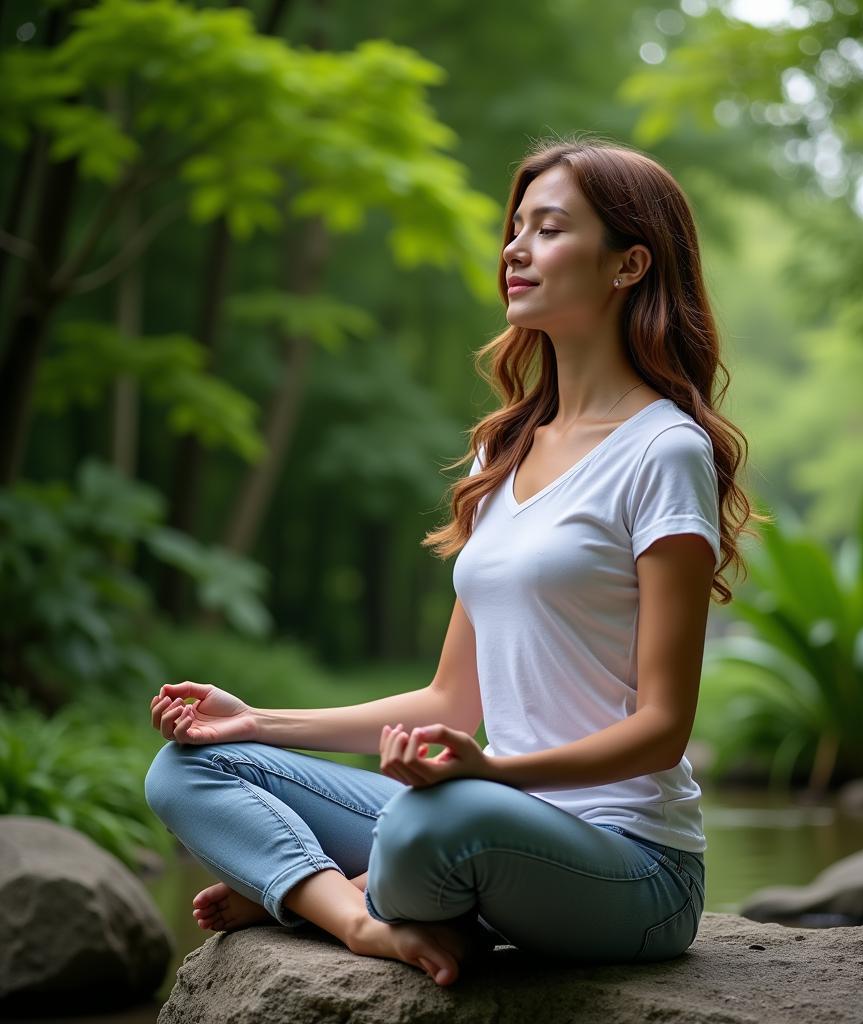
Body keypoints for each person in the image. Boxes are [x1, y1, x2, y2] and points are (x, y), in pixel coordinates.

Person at [144, 134, 759, 989]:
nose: (515, 248)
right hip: (485, 815)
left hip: (631, 869)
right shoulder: (501, 452)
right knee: (191, 767)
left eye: (548, 229)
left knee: (436, 822)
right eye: (516, 229)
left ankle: (309, 890)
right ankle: (355, 916)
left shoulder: (663, 451)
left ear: (628, 265)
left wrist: (494, 772)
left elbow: (663, 729)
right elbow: (451, 699)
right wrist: (257, 722)